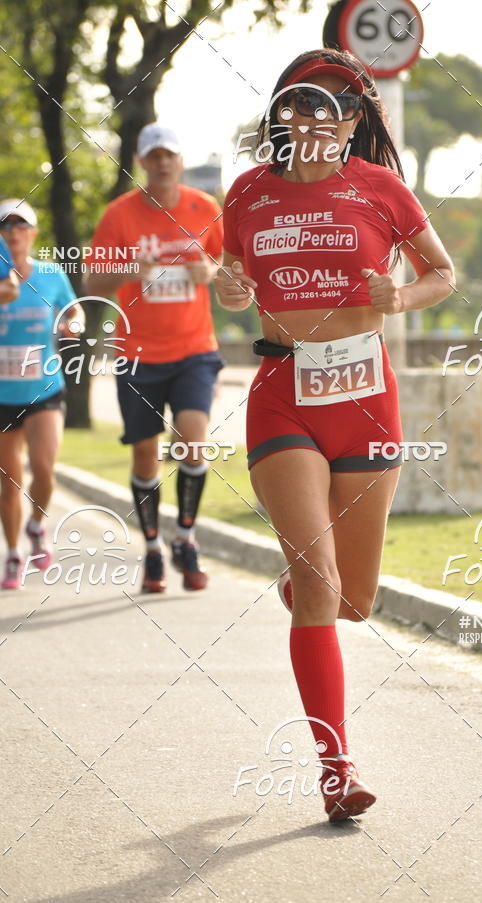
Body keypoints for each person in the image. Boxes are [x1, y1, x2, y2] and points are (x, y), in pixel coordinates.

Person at [216, 49, 455, 822]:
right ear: (280, 114)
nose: (310, 118)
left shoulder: (383, 189)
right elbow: (232, 279)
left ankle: (304, 584)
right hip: (283, 393)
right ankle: (336, 766)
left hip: (366, 397)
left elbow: (441, 274)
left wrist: (402, 293)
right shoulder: (248, 192)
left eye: (328, 106)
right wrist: (226, 286)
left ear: (353, 120)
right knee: (321, 590)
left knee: (352, 599)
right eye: (296, 103)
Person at [86, 124, 225, 593]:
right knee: (146, 455)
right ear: (142, 163)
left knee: (192, 440)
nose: (163, 163)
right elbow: (92, 286)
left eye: (170, 155)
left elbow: (229, 269)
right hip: (137, 354)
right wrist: (128, 270)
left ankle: (185, 537)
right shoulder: (119, 215)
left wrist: (209, 270)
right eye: (154, 156)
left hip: (194, 351)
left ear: (181, 161)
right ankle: (152, 549)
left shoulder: (204, 208)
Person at [0, 199, 80, 588]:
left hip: (44, 388)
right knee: (9, 483)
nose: (13, 232)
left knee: (45, 470)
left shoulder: (51, 274)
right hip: (1, 395)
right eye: (5, 226)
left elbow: (73, 310)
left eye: (21, 225)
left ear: (32, 233)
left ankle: (36, 526)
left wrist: (72, 322)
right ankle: (14, 554)